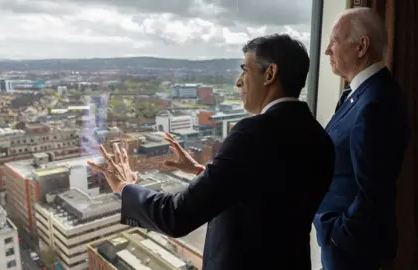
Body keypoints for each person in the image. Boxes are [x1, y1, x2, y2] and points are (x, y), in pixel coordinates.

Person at [88, 34, 335, 270]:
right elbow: (266, 193)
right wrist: (200, 172)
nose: (238, 81)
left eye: (245, 70)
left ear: (270, 73)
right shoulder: (319, 137)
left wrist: (125, 188)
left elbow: (177, 216)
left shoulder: (253, 133)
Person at [313, 7, 410, 270]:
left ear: (361, 46)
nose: (327, 51)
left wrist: (337, 233)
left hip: (352, 250)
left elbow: (374, 191)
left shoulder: (376, 102)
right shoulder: (360, 93)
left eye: (334, 41)